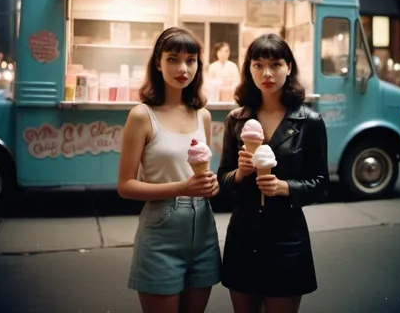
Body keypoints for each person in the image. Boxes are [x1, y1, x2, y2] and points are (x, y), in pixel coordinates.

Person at [218, 33, 330, 313]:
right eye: (258, 65)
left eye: (275, 64)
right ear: (249, 69)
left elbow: (321, 183)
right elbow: (222, 180)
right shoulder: (237, 119)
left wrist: (285, 187)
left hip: (287, 239)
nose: (266, 73)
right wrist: (240, 175)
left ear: (289, 67)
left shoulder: (309, 121)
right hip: (244, 237)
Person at [118, 27, 221, 313]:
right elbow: (125, 185)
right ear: (158, 62)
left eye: (191, 60)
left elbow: (203, 175)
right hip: (161, 231)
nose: (183, 68)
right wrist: (180, 188)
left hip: (204, 230)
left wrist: (212, 186)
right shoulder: (142, 115)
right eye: (173, 59)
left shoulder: (204, 116)